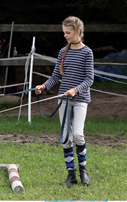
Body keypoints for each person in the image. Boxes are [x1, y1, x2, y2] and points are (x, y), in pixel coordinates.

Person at [35, 16, 94, 186]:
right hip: (63, 100)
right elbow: (55, 77)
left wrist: (75, 90)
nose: (65, 36)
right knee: (66, 138)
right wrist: (44, 86)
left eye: (68, 33)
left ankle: (83, 171)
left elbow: (90, 79)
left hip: (80, 99)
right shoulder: (63, 52)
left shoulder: (87, 52)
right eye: (64, 33)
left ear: (78, 32)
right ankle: (71, 175)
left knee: (78, 135)